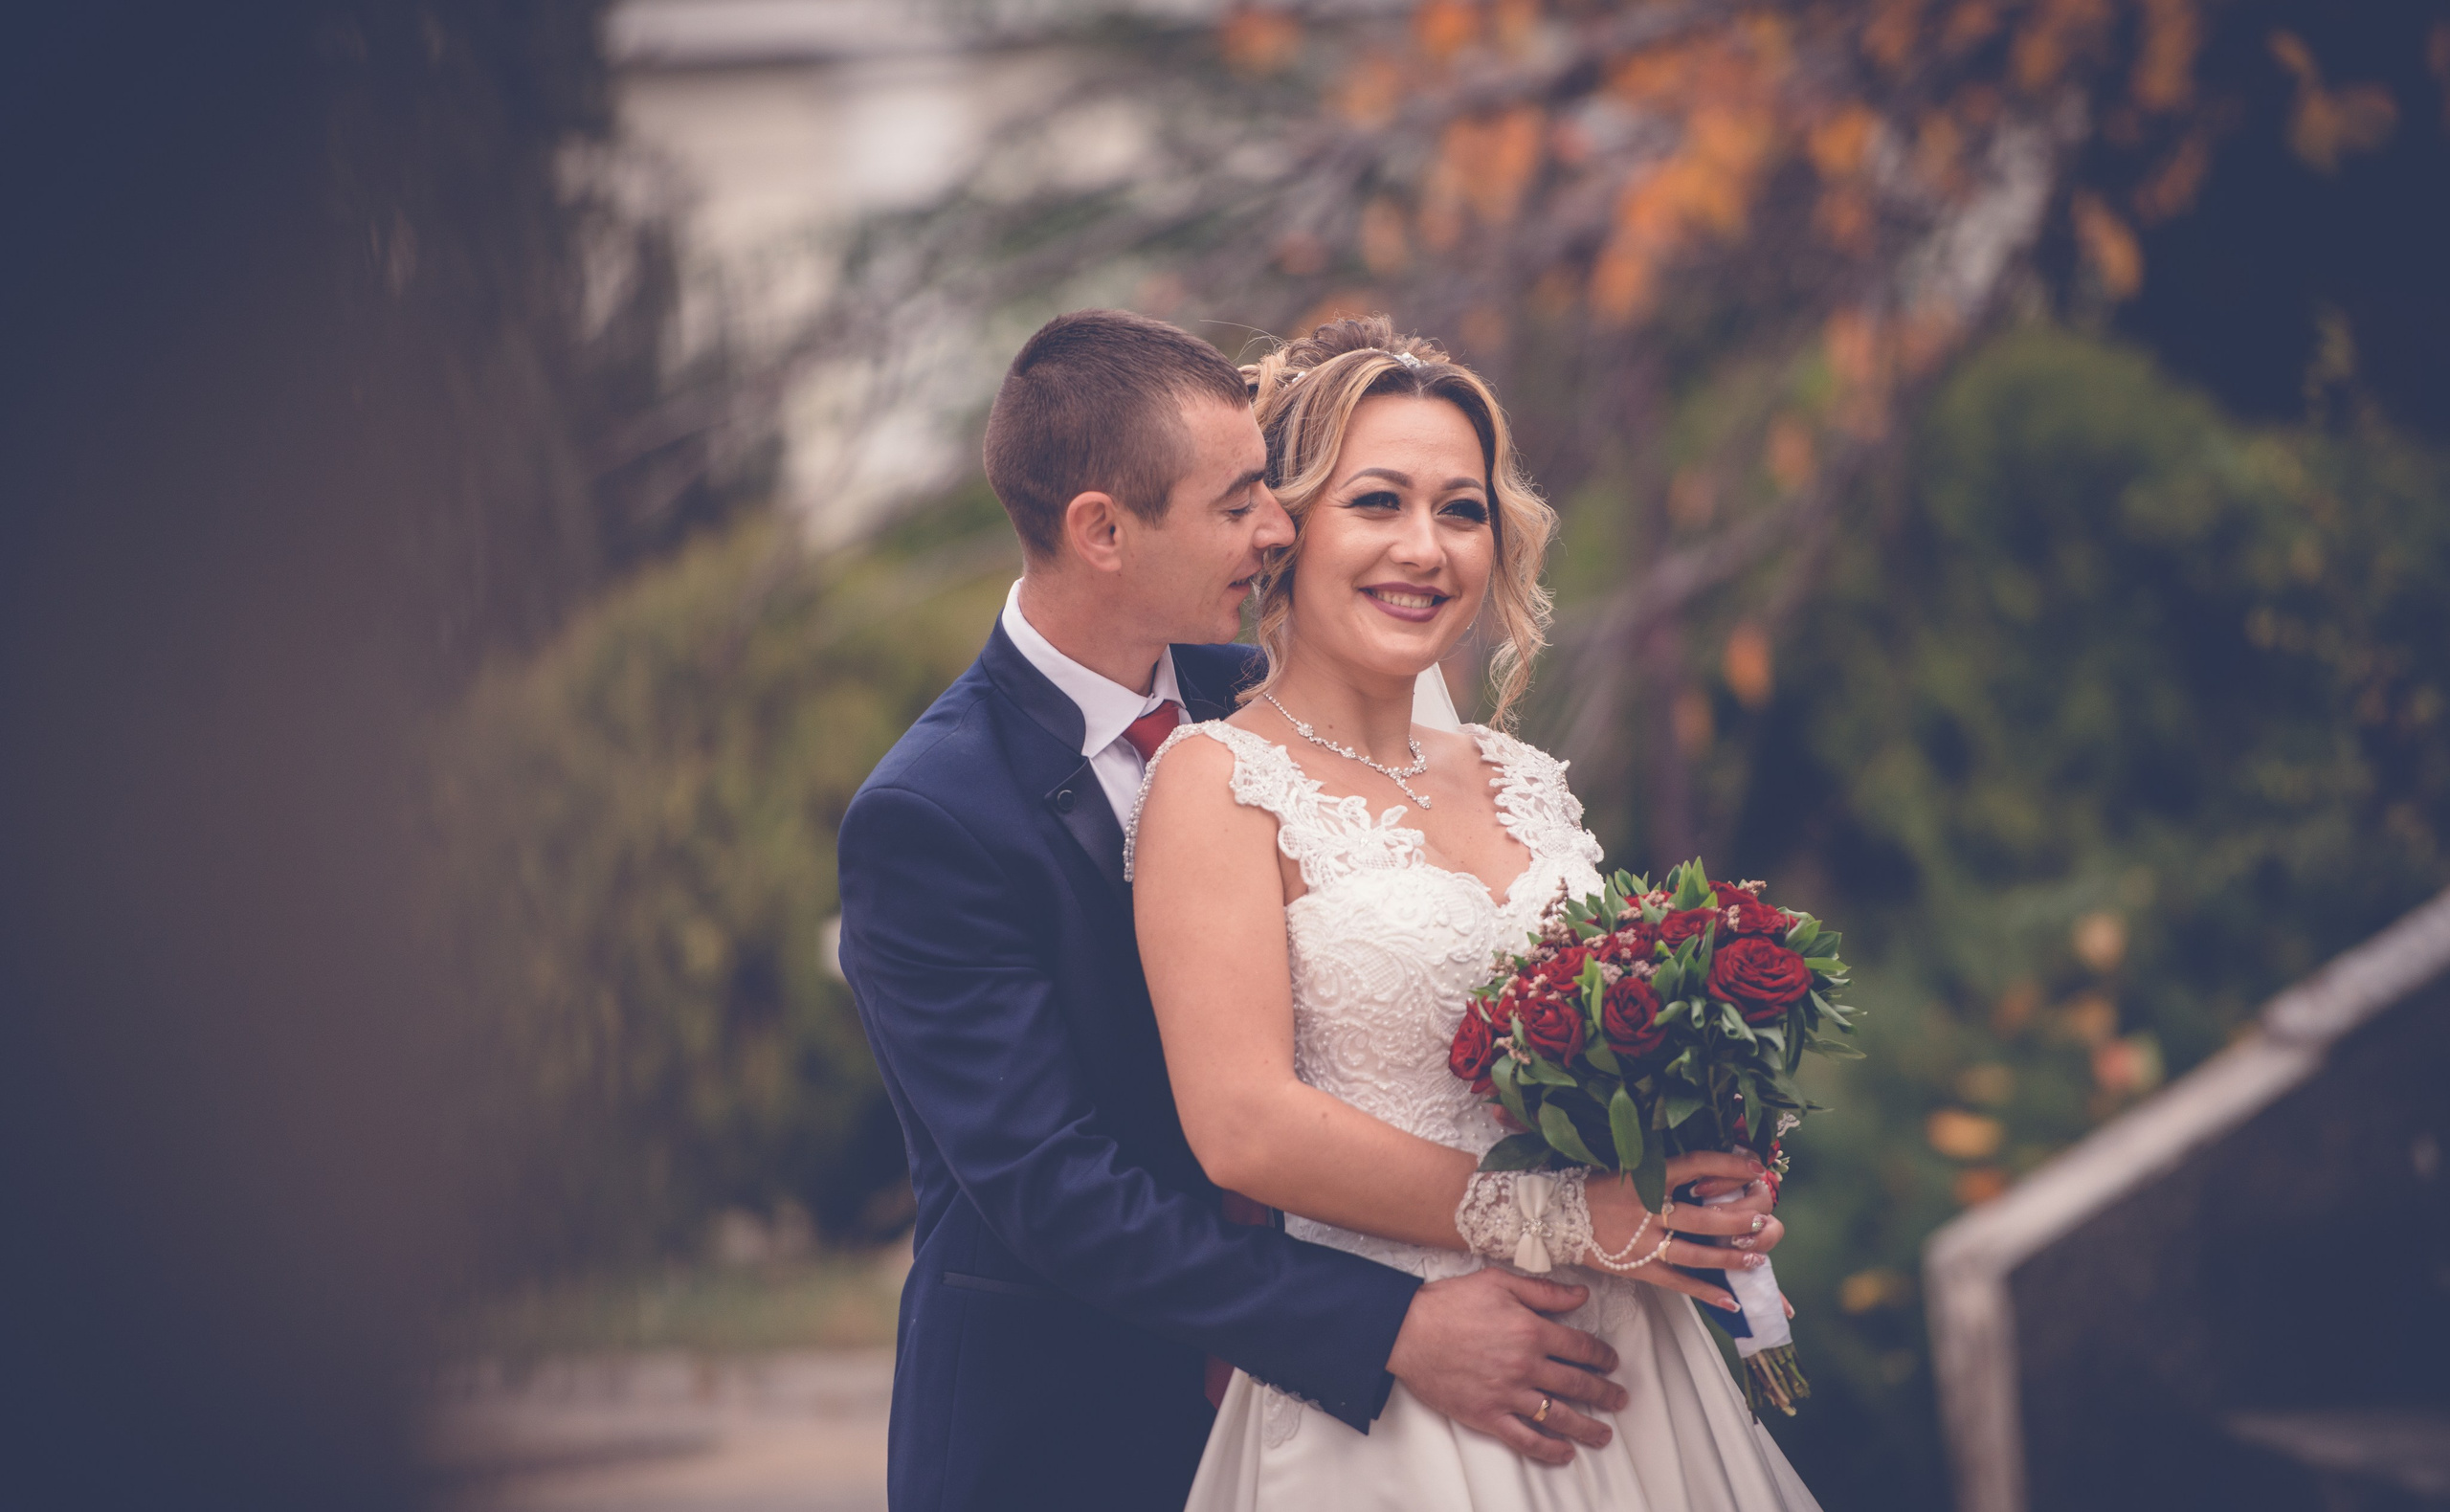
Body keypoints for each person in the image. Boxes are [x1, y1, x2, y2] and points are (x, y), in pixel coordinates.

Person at [835, 309, 1637, 1512]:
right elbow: (1054, 1186)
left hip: (1379, 1393)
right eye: (1238, 502)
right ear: (1102, 530)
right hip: (1072, 1424)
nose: (1276, 528)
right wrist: (1389, 1321)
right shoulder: (932, 812)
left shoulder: (1269, 694)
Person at [1130, 317, 1822, 1508]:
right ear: (1287, 530)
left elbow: (1591, 1066)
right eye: (1377, 502)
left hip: (1627, 1359)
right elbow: (1242, 1128)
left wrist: (1689, 1188)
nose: (1425, 547)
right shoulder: (1216, 779)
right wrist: (1571, 1217)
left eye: (1461, 509)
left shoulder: (1523, 777)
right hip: (1401, 1390)